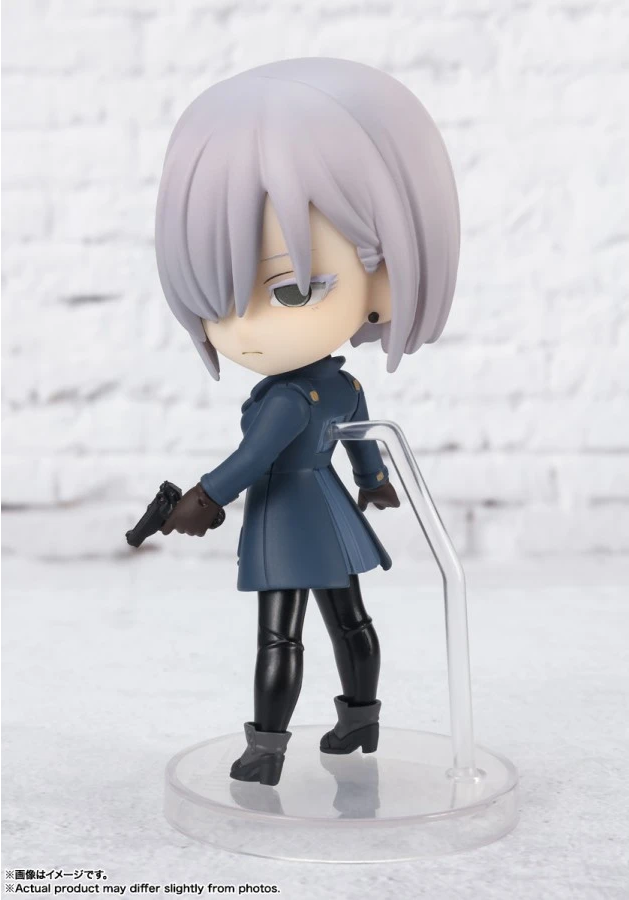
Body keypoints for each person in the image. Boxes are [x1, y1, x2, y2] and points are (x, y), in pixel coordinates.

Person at [153, 58, 460, 786]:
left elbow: (254, 458)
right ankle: (361, 718)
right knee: (349, 618)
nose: (246, 330)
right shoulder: (342, 384)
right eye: (219, 302)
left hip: (288, 521)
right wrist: (374, 482)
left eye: (290, 289)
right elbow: (361, 439)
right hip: (332, 513)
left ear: (382, 277)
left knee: (279, 636)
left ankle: (266, 749)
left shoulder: (289, 400)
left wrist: (204, 497)